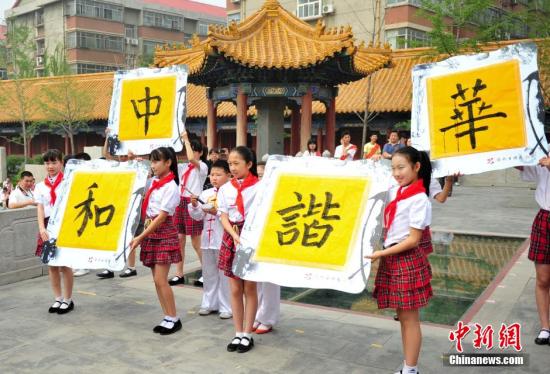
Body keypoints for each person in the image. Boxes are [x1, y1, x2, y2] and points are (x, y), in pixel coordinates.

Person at [366, 146, 432, 374]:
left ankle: (411, 369)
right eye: (393, 168)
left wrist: (380, 254)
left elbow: (414, 240)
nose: (396, 173)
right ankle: (408, 366)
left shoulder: (419, 199)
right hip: (393, 256)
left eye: (401, 167)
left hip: (406, 259)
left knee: (410, 318)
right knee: (403, 317)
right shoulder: (397, 191)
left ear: (416, 167)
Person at [130, 146, 182, 335]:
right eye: (151, 161)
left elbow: (161, 217)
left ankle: (174, 317)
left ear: (168, 163)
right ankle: (167, 316)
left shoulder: (171, 187)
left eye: (156, 161)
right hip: (150, 230)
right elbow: (134, 177)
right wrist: (131, 159)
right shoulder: (153, 182)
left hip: (163, 231)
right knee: (156, 280)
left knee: (161, 280)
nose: (153, 165)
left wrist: (140, 236)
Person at [217, 146, 260, 353]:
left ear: (249, 164)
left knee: (249, 288)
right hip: (232, 237)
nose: (232, 168)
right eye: (230, 164)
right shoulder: (226, 188)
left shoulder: (260, 188)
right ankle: (237, 333)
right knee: (235, 289)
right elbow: (223, 215)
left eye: (237, 163)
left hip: (251, 239)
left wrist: (245, 237)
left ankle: (248, 333)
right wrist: (234, 236)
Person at [189, 159, 233, 319]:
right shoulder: (206, 193)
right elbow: (197, 216)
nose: (214, 178)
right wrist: (194, 205)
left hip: (223, 238)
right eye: (212, 174)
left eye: (218, 174)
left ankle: (226, 307)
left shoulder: (231, 192)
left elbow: (234, 216)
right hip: (207, 240)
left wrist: (218, 213)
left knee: (224, 274)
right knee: (208, 273)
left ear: (228, 175)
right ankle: (209, 303)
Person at [35, 149, 75, 314]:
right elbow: (40, 207)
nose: (50, 166)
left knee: (65, 264)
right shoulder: (40, 185)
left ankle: (68, 299)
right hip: (47, 226)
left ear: (61, 163)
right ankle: (57, 298)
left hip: (64, 225)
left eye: (54, 162)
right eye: (47, 163)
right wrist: (41, 228)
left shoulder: (69, 182)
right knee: (51, 265)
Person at [517, 157, 550, 345]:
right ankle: (546, 328)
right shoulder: (542, 149)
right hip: (545, 217)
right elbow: (526, 168)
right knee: (543, 279)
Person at [170, 131, 208, 286]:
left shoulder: (202, 166)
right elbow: (171, 162)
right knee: (179, 240)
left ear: (199, 152)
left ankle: (207, 273)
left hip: (193, 203)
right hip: (180, 202)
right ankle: (178, 274)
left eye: (192, 149)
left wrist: (186, 139)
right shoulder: (183, 166)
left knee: (196, 241)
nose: (188, 153)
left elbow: (192, 158)